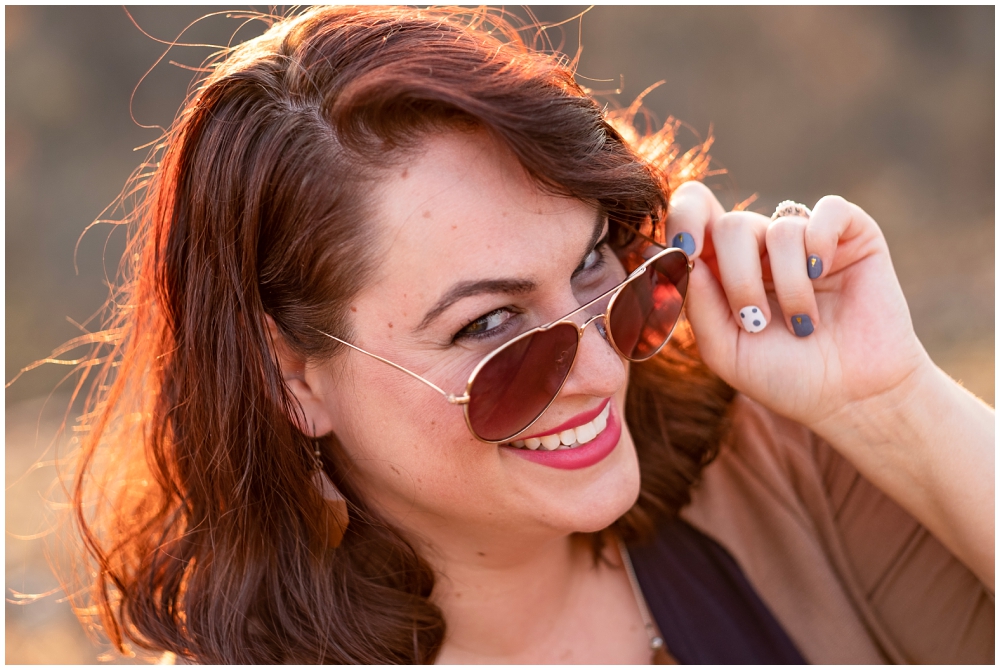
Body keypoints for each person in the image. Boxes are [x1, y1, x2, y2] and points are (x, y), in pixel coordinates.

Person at [65, 6, 993, 664]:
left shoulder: (770, 458)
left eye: (596, 264)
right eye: (493, 325)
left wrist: (890, 401)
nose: (598, 366)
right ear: (290, 380)